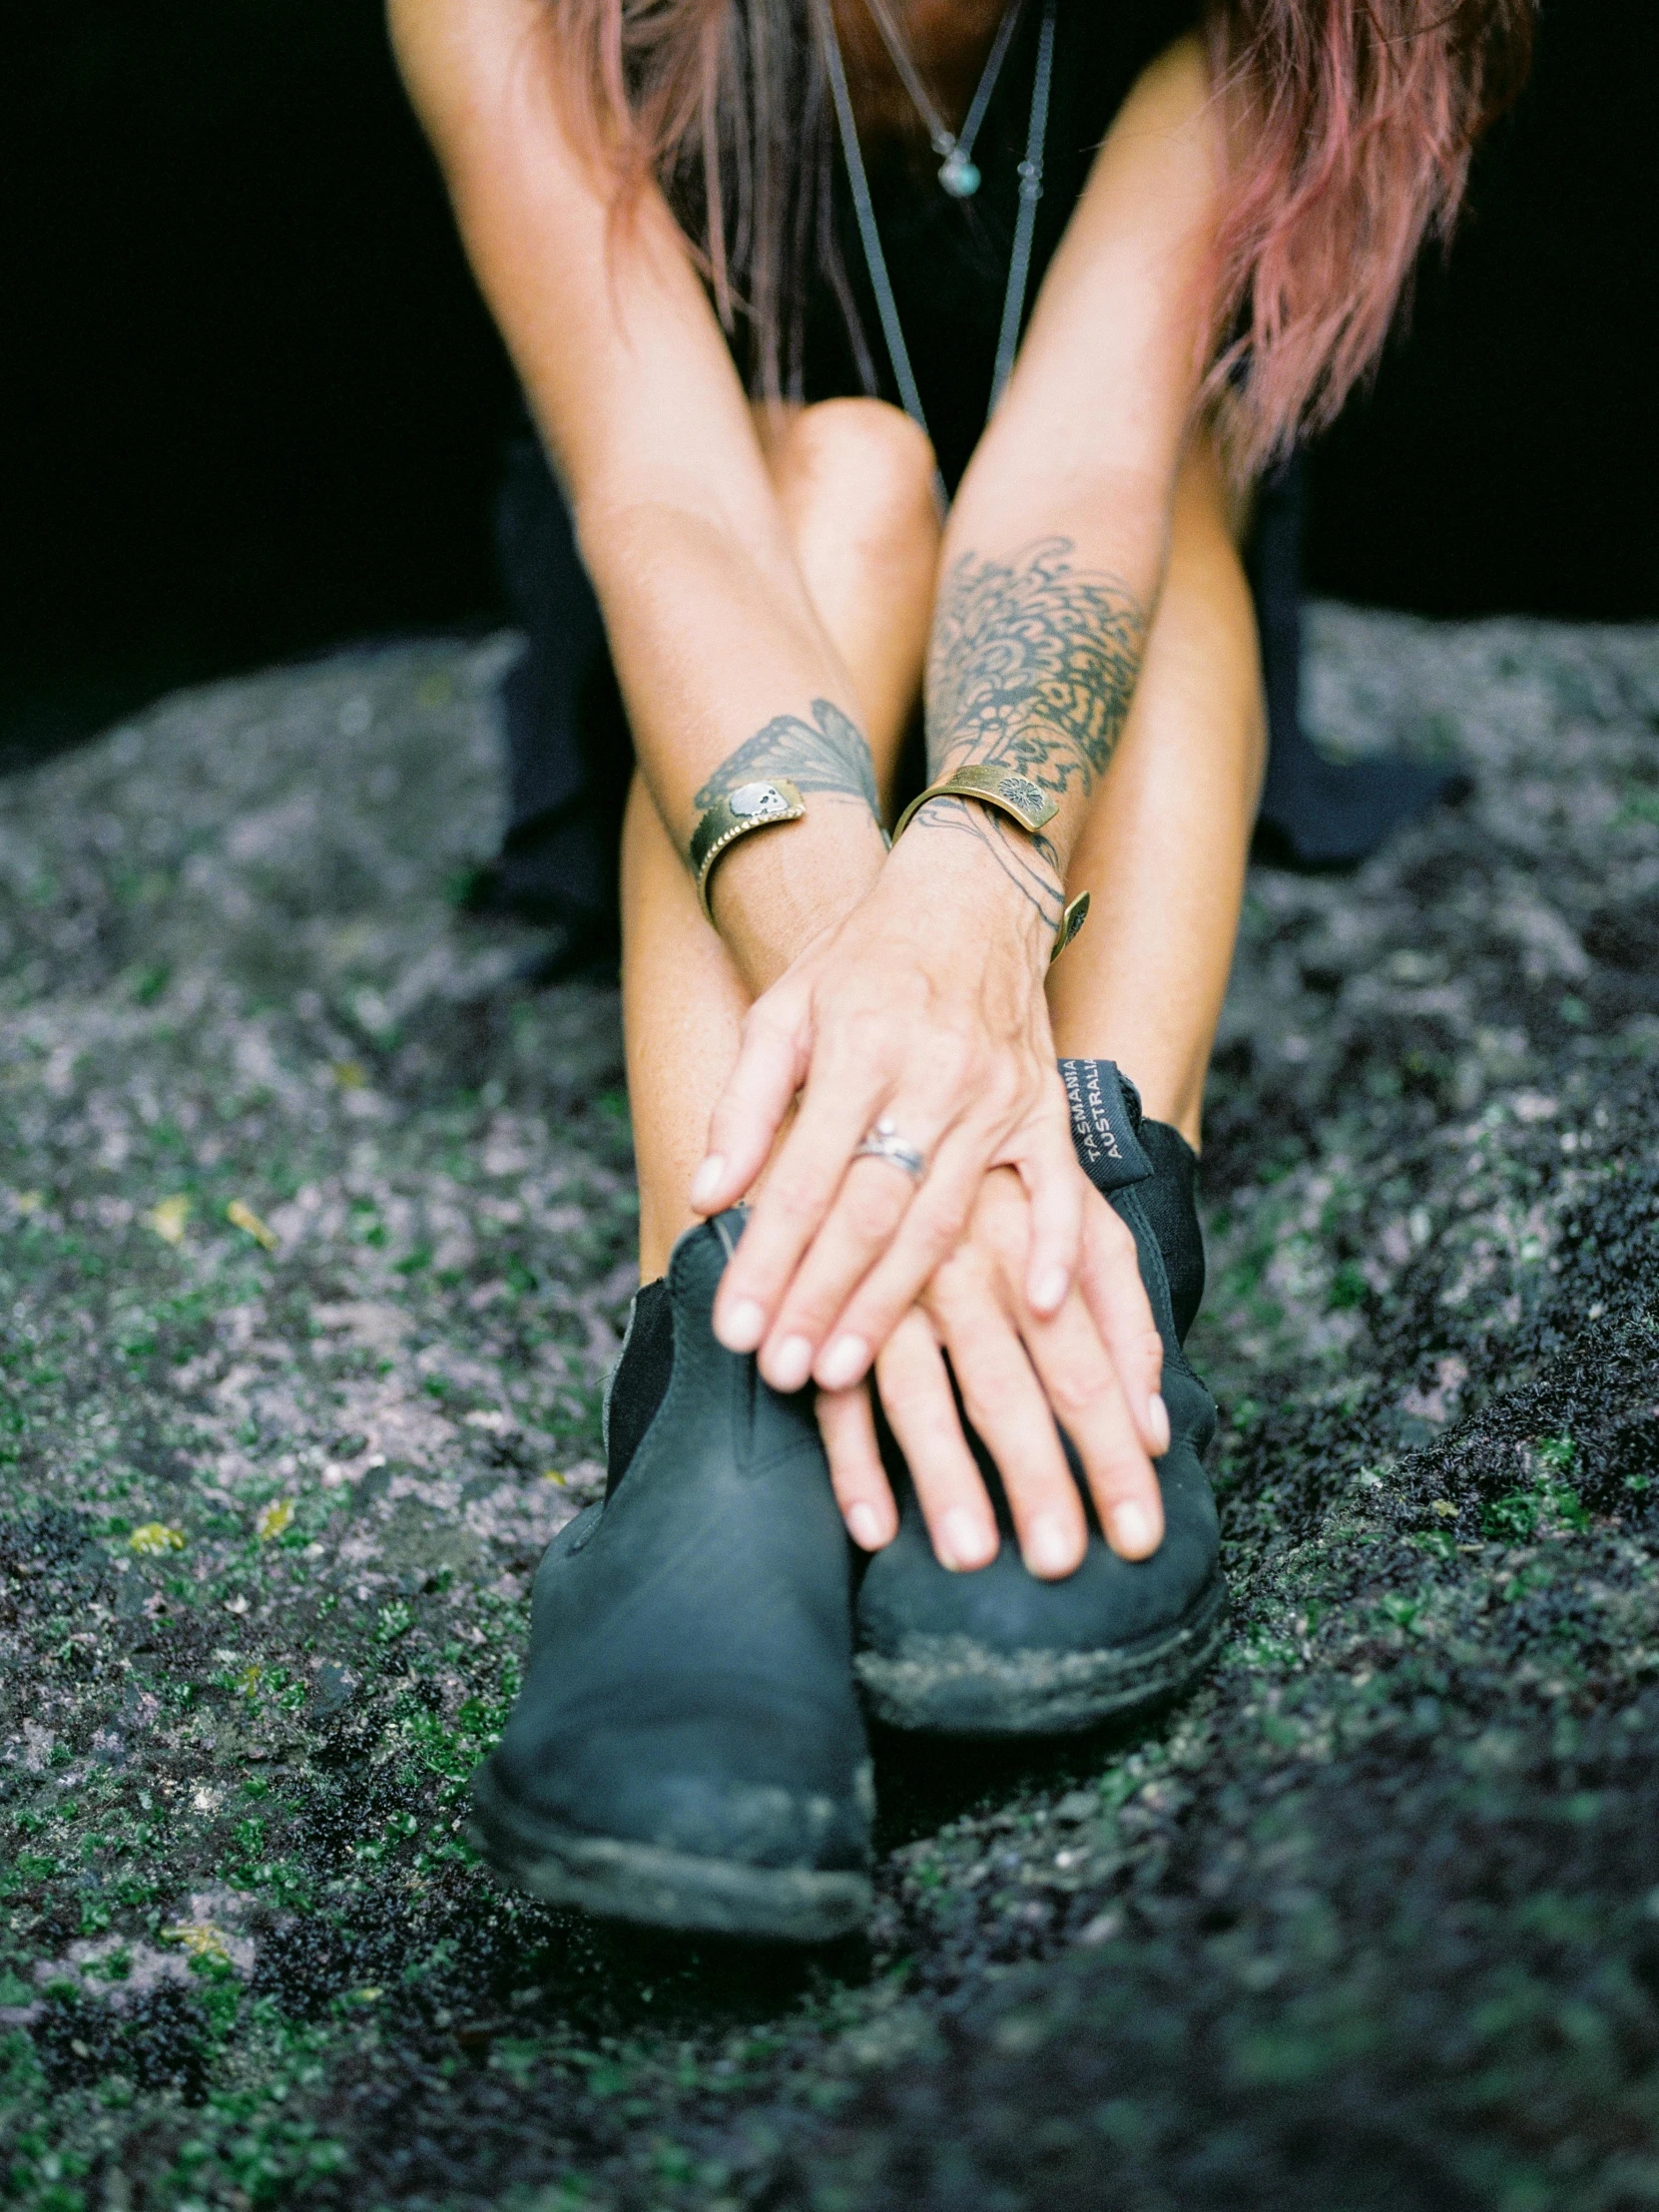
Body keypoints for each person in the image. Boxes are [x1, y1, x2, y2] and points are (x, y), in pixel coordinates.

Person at [389, 0, 1530, 1939]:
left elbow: (1081, 463)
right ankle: (732, 1361)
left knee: (1178, 477)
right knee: (832, 469)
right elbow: (660, 491)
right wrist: (900, 1030)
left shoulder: (1314, 22)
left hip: (1112, 593)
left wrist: (983, 888)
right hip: (717, 605)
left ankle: (1093, 1218)